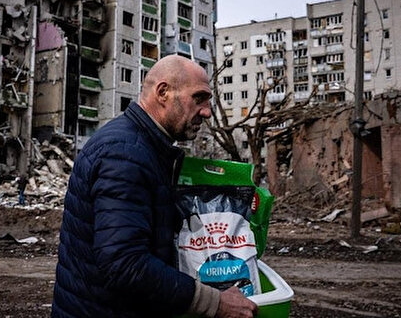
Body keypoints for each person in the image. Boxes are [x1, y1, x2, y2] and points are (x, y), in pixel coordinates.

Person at [52, 55, 258, 318]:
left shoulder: (145, 147)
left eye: (209, 102)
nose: (207, 111)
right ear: (163, 92)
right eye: (199, 98)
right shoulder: (125, 154)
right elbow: (124, 264)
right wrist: (214, 302)